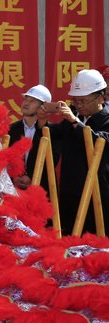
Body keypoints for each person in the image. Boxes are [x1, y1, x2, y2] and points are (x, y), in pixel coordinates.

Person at [40, 69, 109, 235]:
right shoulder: (74, 118)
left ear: (101, 98)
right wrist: (42, 119)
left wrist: (74, 121)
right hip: (69, 192)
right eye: (76, 101)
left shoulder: (105, 119)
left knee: (96, 241)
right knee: (69, 239)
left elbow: (98, 141)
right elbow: (53, 134)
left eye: (83, 101)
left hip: (97, 195)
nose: (79, 105)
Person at [8, 84, 54, 191]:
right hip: (15, 189)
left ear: (44, 106)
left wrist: (31, 176)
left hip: (41, 189)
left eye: (33, 101)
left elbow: (52, 160)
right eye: (26, 99)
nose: (26, 103)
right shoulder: (11, 129)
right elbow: (7, 158)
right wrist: (14, 177)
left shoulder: (51, 131)